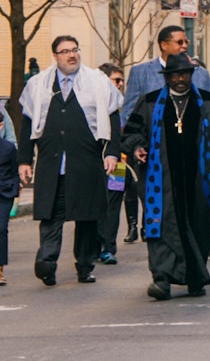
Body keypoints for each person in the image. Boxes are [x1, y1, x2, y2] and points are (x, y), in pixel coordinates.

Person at [122, 53, 210, 300]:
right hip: (160, 179)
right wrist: (138, 147)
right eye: (175, 75)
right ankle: (162, 279)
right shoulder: (150, 102)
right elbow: (132, 133)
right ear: (167, 77)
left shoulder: (209, 102)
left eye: (185, 74)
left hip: (200, 179)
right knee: (161, 226)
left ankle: (195, 277)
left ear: (191, 75)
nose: (180, 79)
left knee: (199, 226)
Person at [18, 35, 122, 286]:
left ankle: (85, 266)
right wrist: (24, 160)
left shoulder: (97, 81)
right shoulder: (38, 84)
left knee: (86, 217)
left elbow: (113, 119)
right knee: (50, 215)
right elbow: (28, 124)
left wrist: (112, 153)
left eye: (75, 50)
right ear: (55, 56)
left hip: (86, 162)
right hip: (52, 163)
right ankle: (47, 263)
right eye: (65, 51)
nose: (72, 55)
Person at [121, 25, 210, 244]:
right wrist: (137, 146)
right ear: (163, 45)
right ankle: (163, 254)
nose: (185, 46)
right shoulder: (141, 73)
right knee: (161, 212)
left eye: (186, 42)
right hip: (155, 158)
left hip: (192, 155)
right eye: (179, 42)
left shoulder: (200, 74)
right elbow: (129, 114)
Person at [96, 63, 127, 266]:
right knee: (94, 204)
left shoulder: (120, 103)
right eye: (116, 80)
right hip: (94, 162)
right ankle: (93, 246)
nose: (120, 84)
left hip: (118, 163)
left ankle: (108, 247)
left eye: (122, 80)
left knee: (114, 204)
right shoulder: (92, 102)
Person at [0, 111, 19, 285]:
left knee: (1, 228)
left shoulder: (8, 148)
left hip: (4, 193)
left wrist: (14, 190)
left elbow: (14, 171)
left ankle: (0, 269)